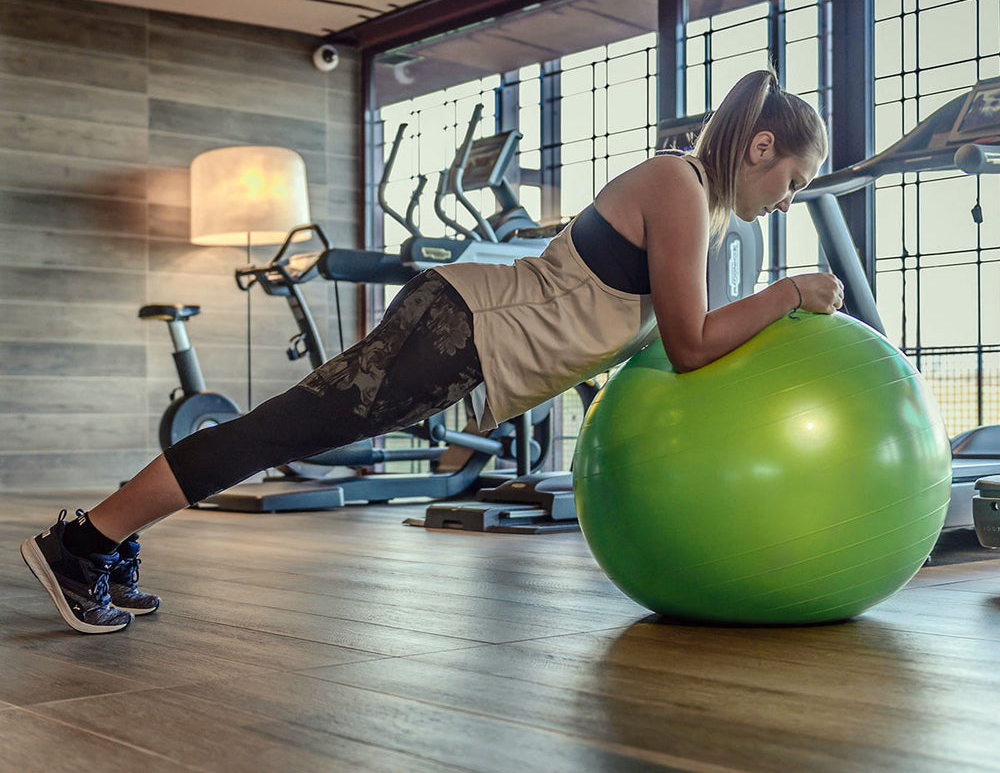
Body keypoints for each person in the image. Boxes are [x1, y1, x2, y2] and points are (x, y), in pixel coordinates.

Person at [20, 69, 844, 634]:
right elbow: (691, 342)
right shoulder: (680, 186)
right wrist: (791, 294)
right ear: (761, 147)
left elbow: (672, 331)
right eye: (795, 182)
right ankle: (82, 545)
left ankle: (102, 541)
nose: (788, 200)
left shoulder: (704, 203)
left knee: (281, 432)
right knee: (276, 434)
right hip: (460, 326)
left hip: (464, 330)